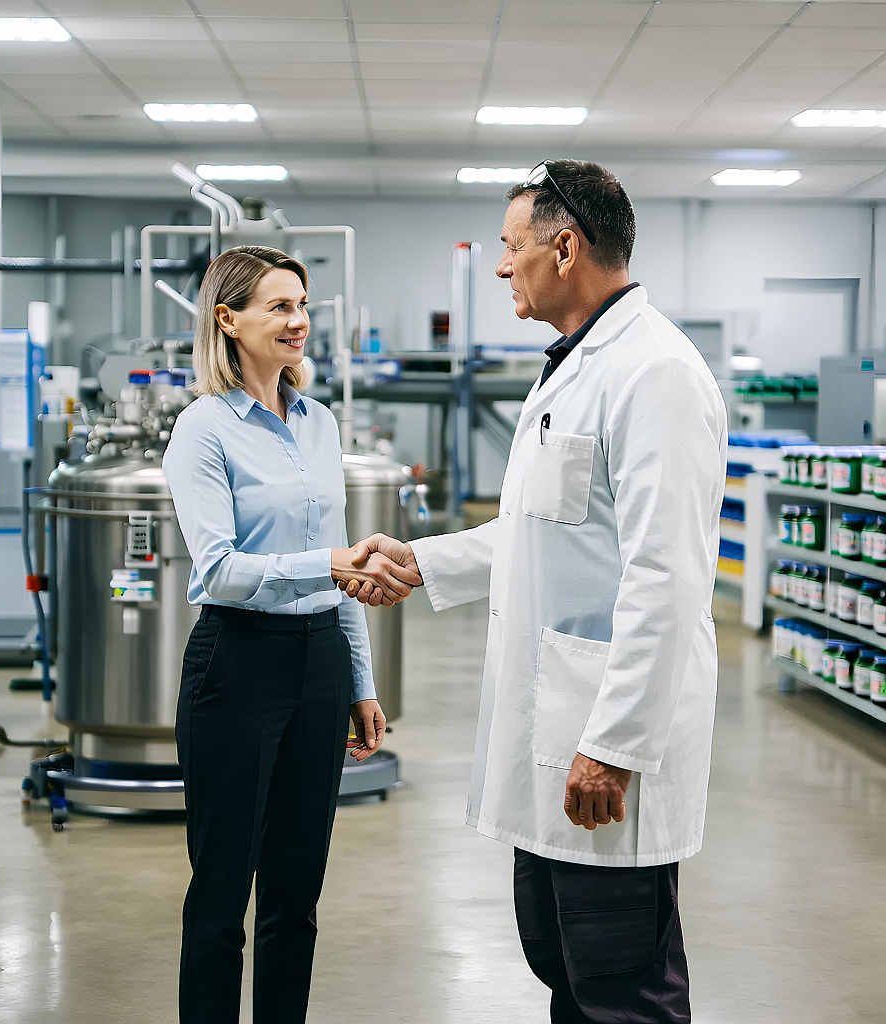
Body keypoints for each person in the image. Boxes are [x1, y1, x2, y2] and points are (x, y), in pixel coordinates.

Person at [345, 160, 727, 1023]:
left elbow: (666, 578)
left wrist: (616, 743)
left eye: (511, 248)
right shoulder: (575, 365)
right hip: (557, 740)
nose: (501, 267)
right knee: (564, 966)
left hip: (601, 746)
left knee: (622, 986)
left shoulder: (654, 372)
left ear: (565, 247)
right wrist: (420, 562)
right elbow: (540, 528)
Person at [163, 244, 422, 1024]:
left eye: (303, 305)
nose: (299, 321)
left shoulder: (318, 423)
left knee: (295, 895)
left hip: (316, 669)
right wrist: (331, 561)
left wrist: (360, 684)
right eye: (278, 306)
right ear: (227, 319)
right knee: (219, 900)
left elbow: (339, 573)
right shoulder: (202, 430)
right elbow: (220, 571)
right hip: (236, 664)